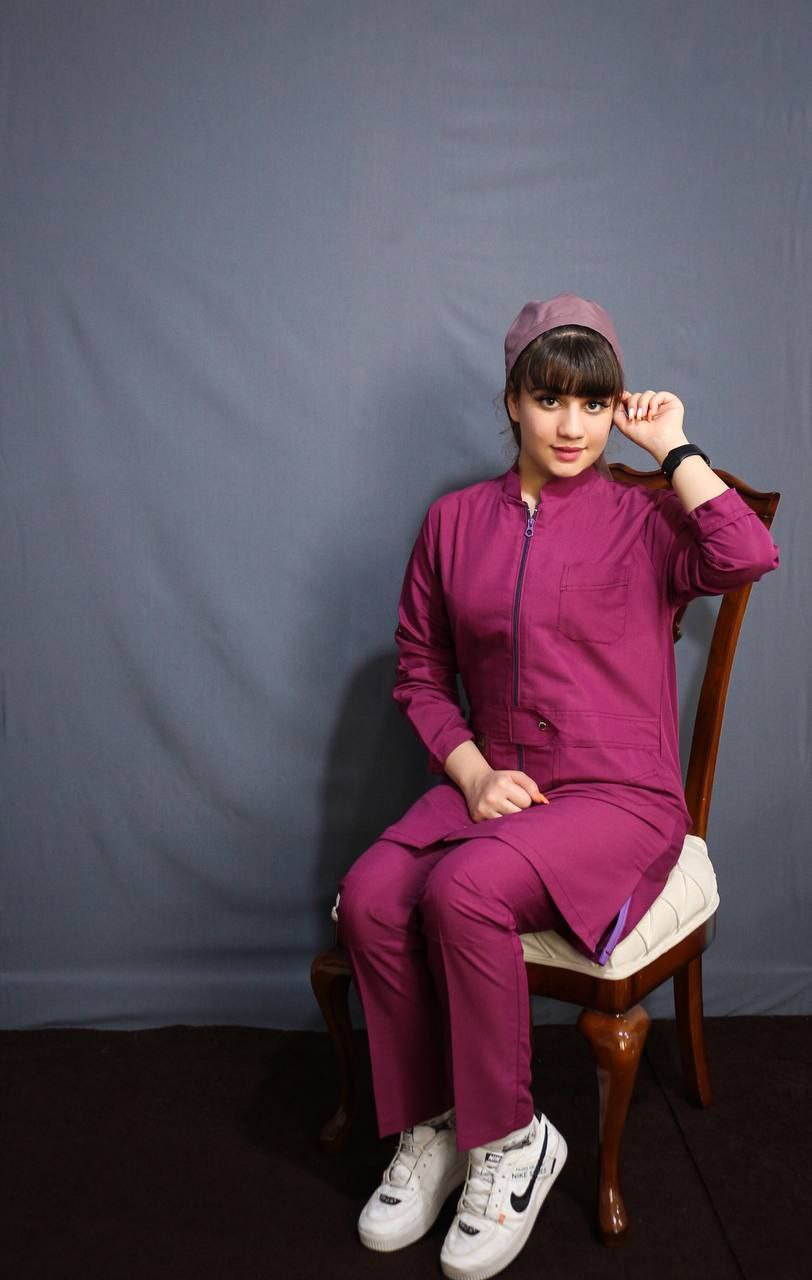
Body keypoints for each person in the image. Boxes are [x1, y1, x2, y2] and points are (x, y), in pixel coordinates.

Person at [333, 292, 781, 1280]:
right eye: (549, 400)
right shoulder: (453, 522)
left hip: (618, 797)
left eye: (594, 403)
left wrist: (673, 446)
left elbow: (748, 552)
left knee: (463, 889)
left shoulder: (648, 518)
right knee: (367, 897)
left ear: (615, 406)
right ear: (512, 401)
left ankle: (511, 1139)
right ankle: (435, 1123)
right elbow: (419, 668)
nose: (572, 426)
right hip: (494, 783)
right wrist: (471, 770)